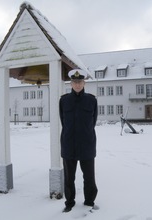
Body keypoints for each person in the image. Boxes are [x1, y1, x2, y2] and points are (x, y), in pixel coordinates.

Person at [59, 69, 98, 213]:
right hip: (69, 144)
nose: (77, 84)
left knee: (89, 177)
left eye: (80, 82)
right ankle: (69, 202)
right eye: (75, 82)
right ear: (71, 83)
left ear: (84, 83)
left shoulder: (91, 100)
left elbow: (93, 122)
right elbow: (64, 121)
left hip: (87, 144)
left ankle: (89, 201)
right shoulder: (64, 100)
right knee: (69, 178)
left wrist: (84, 134)